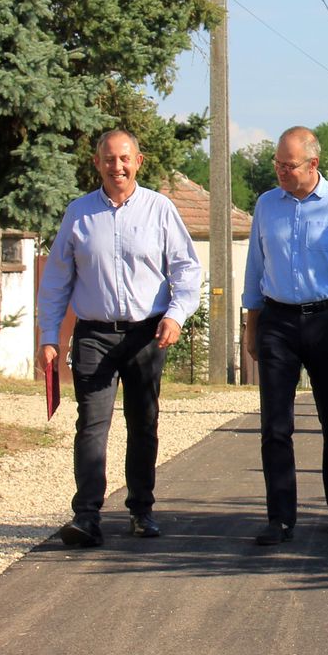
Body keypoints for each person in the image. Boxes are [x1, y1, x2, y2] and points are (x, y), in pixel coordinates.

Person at [37, 129, 202, 547]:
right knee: (91, 423)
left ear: (138, 162)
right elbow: (57, 280)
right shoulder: (78, 214)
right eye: (109, 159)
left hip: (146, 333)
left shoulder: (160, 210)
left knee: (143, 423)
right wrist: (49, 336)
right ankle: (86, 516)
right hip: (93, 335)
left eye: (125, 159)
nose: (118, 167)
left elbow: (186, 269)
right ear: (97, 164)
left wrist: (176, 315)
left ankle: (141, 510)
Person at [242, 126, 328, 546]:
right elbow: (255, 267)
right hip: (277, 322)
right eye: (277, 165)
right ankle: (279, 517)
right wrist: (252, 324)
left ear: (313, 163)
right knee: (275, 424)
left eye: (290, 165)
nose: (282, 172)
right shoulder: (267, 205)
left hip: (326, 321)